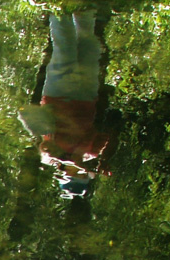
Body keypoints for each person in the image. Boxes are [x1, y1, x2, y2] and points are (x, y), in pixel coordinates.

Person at [18, 9, 112, 199]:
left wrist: (66, 159)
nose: (80, 171)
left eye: (77, 174)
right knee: (89, 47)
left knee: (64, 49)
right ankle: (84, 9)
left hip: (59, 95)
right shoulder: (91, 153)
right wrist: (105, 159)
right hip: (87, 98)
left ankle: (59, 9)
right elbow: (106, 136)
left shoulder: (50, 158)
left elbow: (46, 147)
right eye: (83, 174)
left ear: (65, 174)